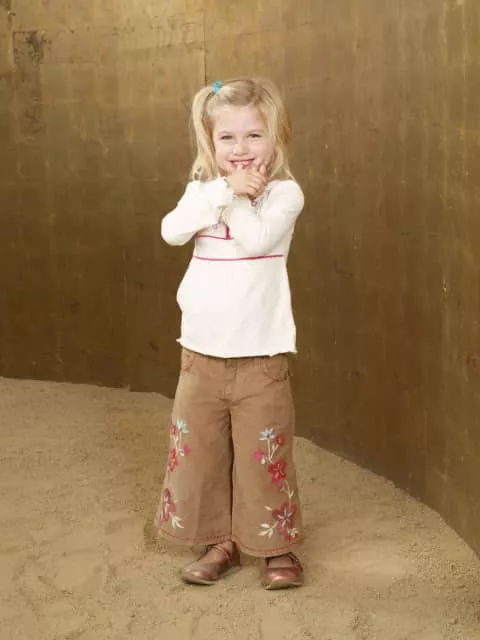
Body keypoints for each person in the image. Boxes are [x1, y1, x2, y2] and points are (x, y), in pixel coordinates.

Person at [155, 77, 305, 590]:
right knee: (202, 452)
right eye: (227, 138)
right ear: (210, 143)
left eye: (253, 136)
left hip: (261, 356)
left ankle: (274, 546)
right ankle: (219, 542)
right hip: (200, 354)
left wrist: (237, 197)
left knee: (264, 452)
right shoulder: (202, 192)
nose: (241, 149)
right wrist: (222, 190)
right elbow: (171, 231)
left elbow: (255, 239)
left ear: (275, 138)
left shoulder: (284, 194)